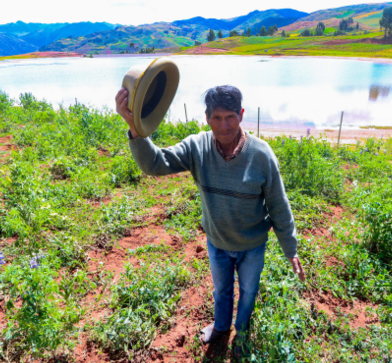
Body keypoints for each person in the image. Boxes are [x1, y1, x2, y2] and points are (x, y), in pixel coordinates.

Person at [114, 84, 305, 357]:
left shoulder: (261, 155)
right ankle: (220, 327)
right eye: (217, 118)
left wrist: (291, 248)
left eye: (230, 117)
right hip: (216, 243)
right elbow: (154, 164)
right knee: (222, 291)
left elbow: (278, 205)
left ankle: (242, 333)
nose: (224, 125)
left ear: (241, 115)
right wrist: (133, 126)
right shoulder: (197, 147)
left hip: (252, 247)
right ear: (207, 118)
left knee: (248, 293)